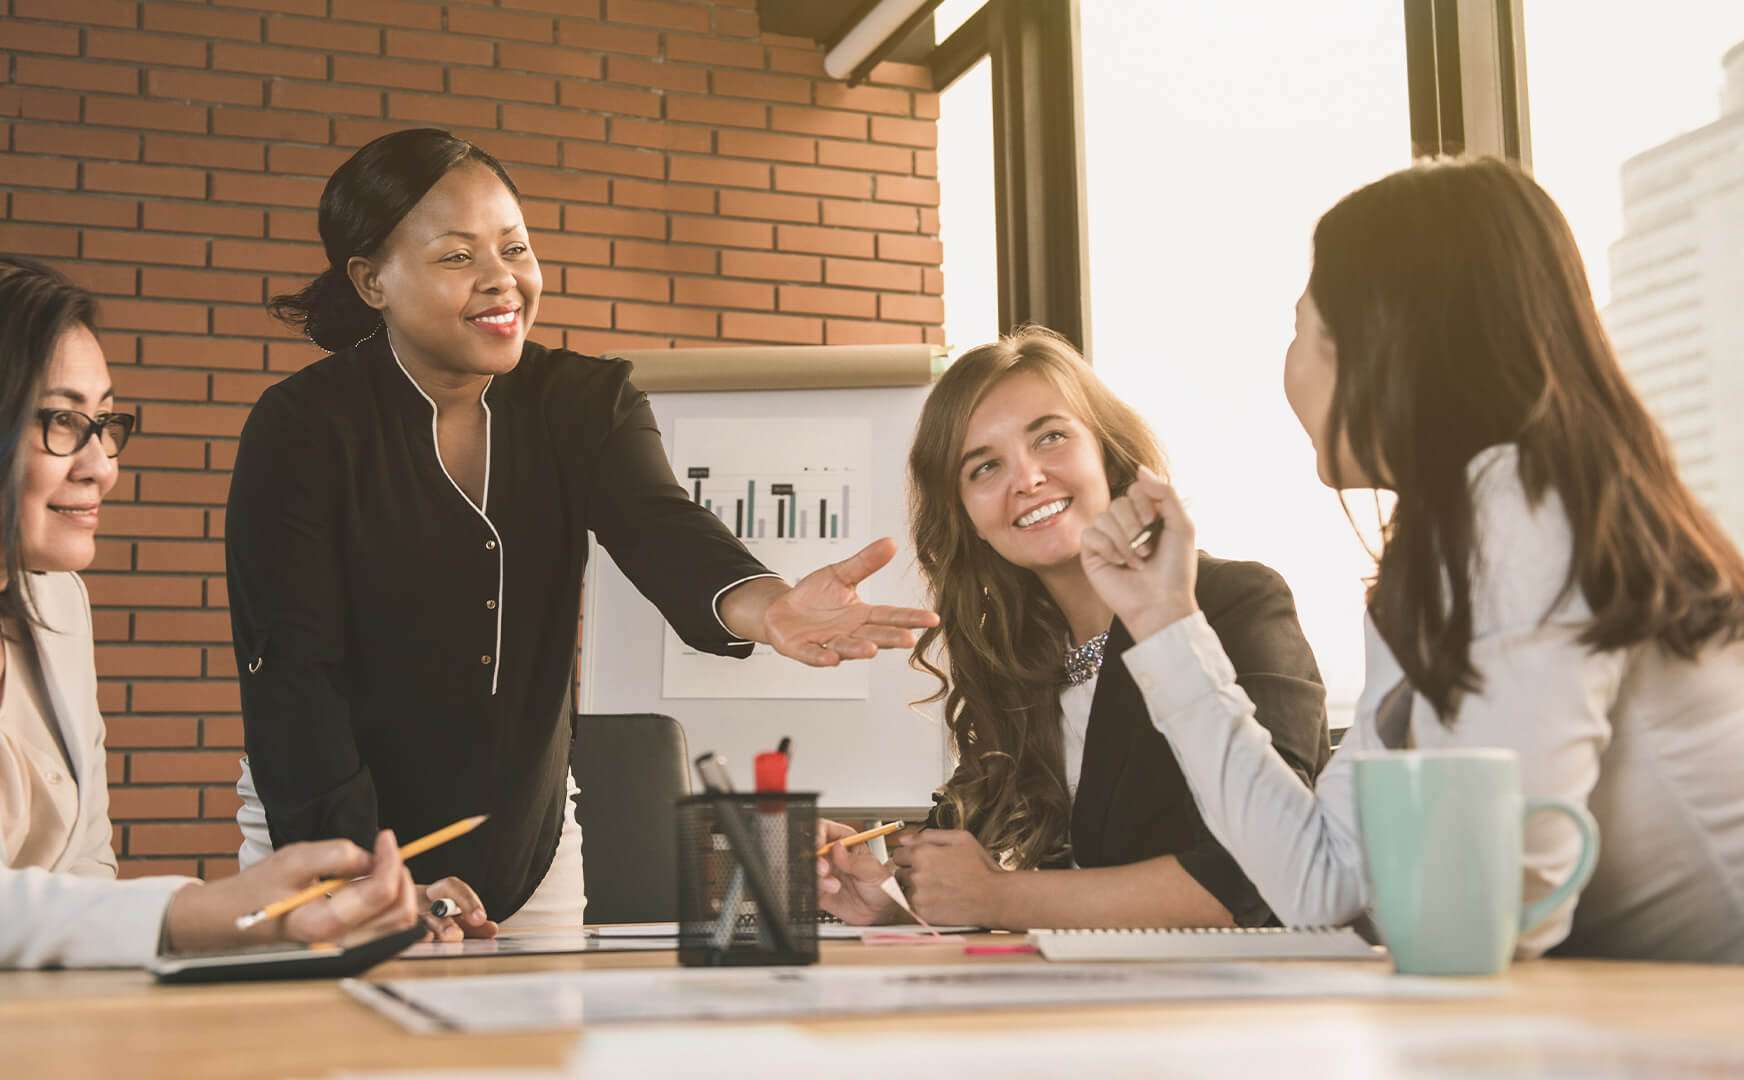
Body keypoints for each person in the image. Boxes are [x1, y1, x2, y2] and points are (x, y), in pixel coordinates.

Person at [227, 128, 937, 939]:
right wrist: (363, 877)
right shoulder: (302, 430)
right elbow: (293, 678)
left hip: (528, 841)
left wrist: (768, 607)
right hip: (329, 836)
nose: (503, 280)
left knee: (538, 1062)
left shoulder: (584, 401)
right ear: (371, 280)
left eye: (515, 247)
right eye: (458, 256)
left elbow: (662, 525)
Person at [1085, 156, 1744, 962]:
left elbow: (1489, 919)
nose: (1290, 367)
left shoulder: (1522, 515)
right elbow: (1319, 881)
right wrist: (1163, 618)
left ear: (1387, 345)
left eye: (1304, 329)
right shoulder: (1459, 541)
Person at [0, 255, 422, 1079]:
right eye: (61, 422)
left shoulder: (56, 606)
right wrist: (204, 915)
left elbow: (82, 875)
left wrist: (295, 924)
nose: (101, 463)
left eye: (105, 422)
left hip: (40, 1048)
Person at [816, 328, 1329, 930]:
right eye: (985, 467)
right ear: (968, 519)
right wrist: (892, 903)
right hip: (1089, 1002)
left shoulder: (1232, 602)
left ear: (1106, 454)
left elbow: (1262, 878)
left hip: (1236, 1006)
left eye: (1051, 437)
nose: (1027, 479)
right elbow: (994, 882)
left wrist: (999, 897)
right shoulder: (1015, 661)